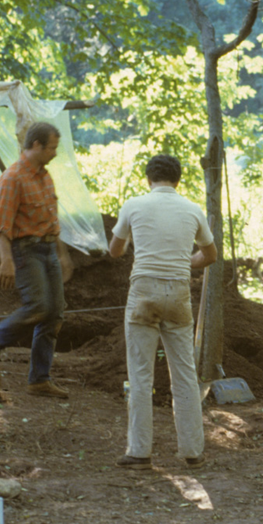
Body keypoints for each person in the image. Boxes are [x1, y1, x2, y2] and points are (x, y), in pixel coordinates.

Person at [108, 155, 218, 468]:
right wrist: (187, 261)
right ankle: (192, 451)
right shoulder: (192, 209)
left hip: (144, 291)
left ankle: (139, 451)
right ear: (178, 180)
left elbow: (115, 251)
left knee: (140, 374)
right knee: (184, 374)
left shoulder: (134, 204)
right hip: (179, 291)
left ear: (148, 179)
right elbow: (210, 254)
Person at [0, 122, 73, 398]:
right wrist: (6, 261)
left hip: (49, 250)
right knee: (38, 306)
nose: (55, 153)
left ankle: (39, 379)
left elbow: (52, 221)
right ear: (37, 145)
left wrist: (62, 255)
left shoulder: (45, 177)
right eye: (52, 147)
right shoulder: (12, 178)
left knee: (54, 315)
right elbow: (1, 227)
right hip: (25, 250)